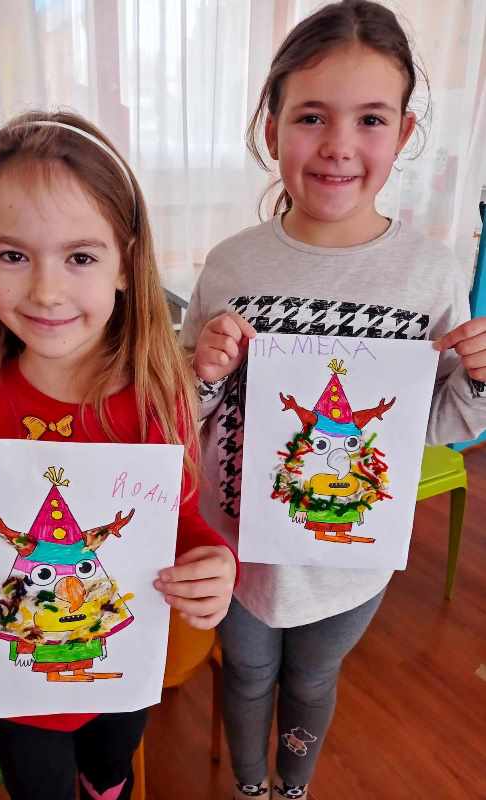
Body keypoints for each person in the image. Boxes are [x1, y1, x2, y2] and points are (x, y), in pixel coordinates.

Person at [181, 2, 486, 798]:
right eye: (311, 116)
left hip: (349, 559)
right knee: (247, 674)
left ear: (404, 133)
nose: (339, 145)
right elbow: (183, 409)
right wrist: (203, 371)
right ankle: (251, 787)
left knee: (313, 680)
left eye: (371, 119)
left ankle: (293, 786)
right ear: (272, 127)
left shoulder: (430, 273)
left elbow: (440, 423)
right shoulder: (231, 264)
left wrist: (480, 380)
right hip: (236, 545)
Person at [0, 110, 237, 800]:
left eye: (79, 257)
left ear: (124, 264)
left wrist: (212, 562)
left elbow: (177, 519)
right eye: (13, 256)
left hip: (119, 666)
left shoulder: (156, 396)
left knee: (109, 773)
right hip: (16, 692)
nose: (45, 291)